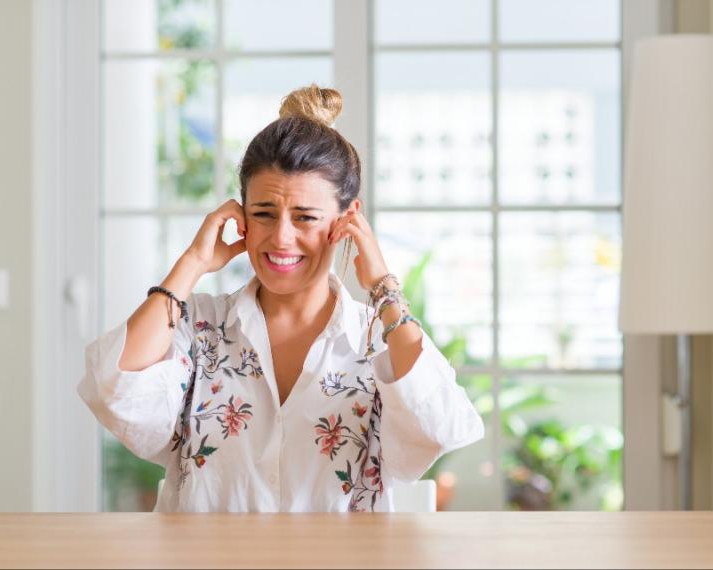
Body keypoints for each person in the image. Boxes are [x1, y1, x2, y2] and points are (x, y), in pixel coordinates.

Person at [78, 84, 485, 512]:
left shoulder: (381, 337)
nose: (281, 238)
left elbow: (441, 428)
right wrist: (193, 262)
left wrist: (383, 285)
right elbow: (114, 387)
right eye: (263, 214)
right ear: (241, 215)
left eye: (305, 217)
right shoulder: (197, 324)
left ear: (347, 220)